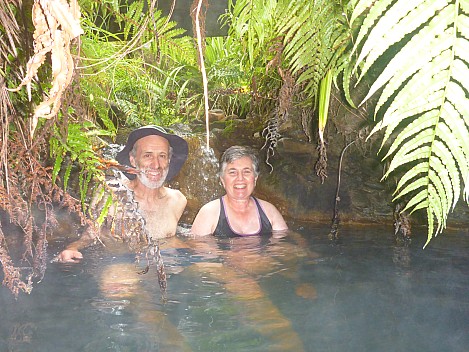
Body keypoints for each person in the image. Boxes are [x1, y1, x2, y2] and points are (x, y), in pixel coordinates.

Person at [57, 125, 189, 263]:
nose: (156, 165)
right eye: (148, 155)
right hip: (121, 264)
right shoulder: (111, 194)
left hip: (164, 265)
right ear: (133, 160)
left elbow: (170, 240)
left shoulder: (177, 200)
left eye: (162, 156)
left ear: (169, 160)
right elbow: (91, 234)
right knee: (123, 281)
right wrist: (73, 248)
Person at [191, 145, 288, 237]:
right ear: (223, 180)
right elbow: (198, 251)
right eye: (233, 172)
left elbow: (286, 248)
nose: (240, 178)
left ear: (255, 178)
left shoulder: (269, 211)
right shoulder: (209, 213)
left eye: (246, 172)